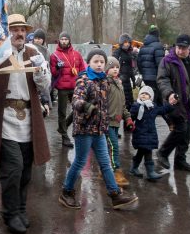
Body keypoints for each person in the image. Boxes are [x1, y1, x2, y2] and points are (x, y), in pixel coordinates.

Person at [0, 14, 51, 234]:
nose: (19, 33)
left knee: (26, 170)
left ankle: (20, 209)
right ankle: (9, 213)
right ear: (6, 31)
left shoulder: (33, 53)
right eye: (14, 29)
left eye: (22, 29)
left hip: (28, 119)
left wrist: (40, 70)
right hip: (5, 119)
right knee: (13, 169)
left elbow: (45, 84)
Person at [58, 49, 138, 211]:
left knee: (105, 163)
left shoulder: (105, 81)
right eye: (96, 61)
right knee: (80, 161)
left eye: (102, 62)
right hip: (84, 129)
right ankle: (66, 192)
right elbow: (76, 101)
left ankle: (115, 195)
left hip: (100, 130)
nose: (99, 64)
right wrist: (87, 106)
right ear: (89, 63)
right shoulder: (84, 80)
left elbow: (115, 91)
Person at [156, 34, 190, 173]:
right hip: (174, 102)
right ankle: (163, 153)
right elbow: (162, 80)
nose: (180, 51)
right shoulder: (168, 61)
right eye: (179, 47)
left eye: (184, 48)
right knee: (181, 129)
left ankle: (180, 160)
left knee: (186, 133)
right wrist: (169, 94)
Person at [127, 86, 172, 181]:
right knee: (147, 152)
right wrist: (129, 123)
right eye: (142, 93)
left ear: (151, 97)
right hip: (140, 133)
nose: (144, 95)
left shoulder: (153, 107)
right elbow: (130, 117)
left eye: (147, 94)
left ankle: (133, 168)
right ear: (139, 95)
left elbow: (162, 110)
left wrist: (170, 104)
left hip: (150, 134)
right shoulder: (136, 106)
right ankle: (150, 172)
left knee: (141, 152)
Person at [50, 32, 85, 147]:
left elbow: (82, 70)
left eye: (66, 39)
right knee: (62, 112)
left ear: (69, 41)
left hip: (75, 87)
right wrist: (57, 67)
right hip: (62, 88)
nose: (64, 41)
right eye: (62, 39)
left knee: (79, 110)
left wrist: (82, 83)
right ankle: (65, 137)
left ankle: (63, 126)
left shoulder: (77, 54)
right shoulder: (54, 55)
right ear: (59, 41)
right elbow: (53, 73)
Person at [105, 57, 132, 186]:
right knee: (114, 146)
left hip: (117, 122)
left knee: (108, 147)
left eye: (117, 67)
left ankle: (104, 171)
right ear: (107, 69)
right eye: (112, 67)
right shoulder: (105, 84)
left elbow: (123, 104)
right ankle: (116, 172)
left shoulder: (119, 83)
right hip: (107, 122)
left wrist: (127, 118)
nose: (115, 69)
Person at [137, 25, 165, 95]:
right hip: (156, 78)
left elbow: (139, 62)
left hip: (145, 77)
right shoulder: (158, 45)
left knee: (148, 97)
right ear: (157, 34)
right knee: (157, 97)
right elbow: (160, 64)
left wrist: (143, 73)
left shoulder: (143, 46)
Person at [112, 34, 137, 109]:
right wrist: (118, 77)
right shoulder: (117, 52)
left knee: (130, 102)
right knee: (122, 102)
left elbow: (130, 68)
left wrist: (133, 80)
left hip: (128, 81)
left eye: (128, 42)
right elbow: (113, 66)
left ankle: (128, 119)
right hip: (120, 80)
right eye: (125, 42)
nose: (127, 44)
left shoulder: (129, 53)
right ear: (121, 43)